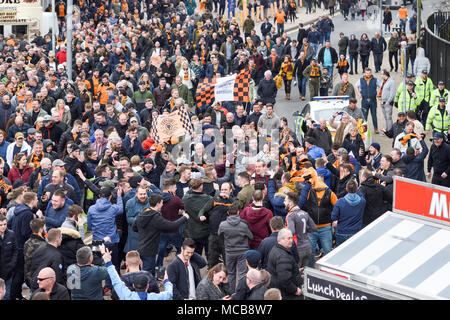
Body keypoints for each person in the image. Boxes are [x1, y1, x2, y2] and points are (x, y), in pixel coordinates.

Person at [133, 193, 189, 276]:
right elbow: (171, 226)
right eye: (162, 203)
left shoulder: (143, 212)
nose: (162, 205)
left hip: (142, 246)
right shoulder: (155, 217)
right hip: (150, 249)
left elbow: (134, 227)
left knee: (146, 270)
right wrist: (184, 218)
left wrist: (146, 232)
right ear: (158, 203)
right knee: (148, 273)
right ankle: (148, 288)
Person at [102, 246, 173, 300]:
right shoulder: (149, 276)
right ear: (147, 286)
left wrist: (108, 262)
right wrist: (166, 281)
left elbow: (116, 282)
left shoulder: (127, 295)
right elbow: (169, 294)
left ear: (133, 286)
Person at [87, 187, 124, 273]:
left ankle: (103, 285)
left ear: (99, 196)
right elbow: (121, 209)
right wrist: (119, 196)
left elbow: (89, 226)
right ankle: (112, 284)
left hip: (97, 241)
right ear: (110, 197)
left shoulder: (91, 209)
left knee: (98, 265)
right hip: (111, 241)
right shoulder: (113, 208)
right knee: (113, 264)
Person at [218, 202, 253, 292]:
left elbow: (219, 235)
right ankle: (242, 293)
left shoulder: (223, 224)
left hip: (229, 252)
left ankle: (232, 293)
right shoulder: (243, 225)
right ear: (238, 212)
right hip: (242, 252)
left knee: (230, 273)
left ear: (228, 213)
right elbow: (251, 236)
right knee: (242, 274)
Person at [266, 228, 302, 300]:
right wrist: (295, 290)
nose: (291, 240)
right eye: (288, 238)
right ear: (280, 239)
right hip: (286, 293)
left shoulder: (276, 248)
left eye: (292, 238)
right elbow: (284, 280)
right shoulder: (283, 257)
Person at [284, 192, 317, 268]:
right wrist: (304, 230)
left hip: (298, 249)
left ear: (291, 203)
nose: (284, 202)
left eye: (285, 200)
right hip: (307, 247)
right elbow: (314, 228)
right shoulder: (304, 213)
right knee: (304, 272)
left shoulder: (290, 216)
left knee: (296, 273)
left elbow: (291, 232)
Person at [331, 179, 365, 246]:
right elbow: (361, 195)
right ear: (357, 188)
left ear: (346, 189)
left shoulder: (340, 202)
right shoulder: (362, 201)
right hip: (355, 231)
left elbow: (333, 217)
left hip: (341, 232)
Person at [355, 68, 382, 134]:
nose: (368, 74)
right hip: (364, 100)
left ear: (371, 73)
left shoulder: (375, 80)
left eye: (369, 73)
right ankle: (364, 129)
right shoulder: (361, 80)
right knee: (364, 115)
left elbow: (381, 86)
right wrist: (358, 93)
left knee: (374, 115)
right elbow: (356, 86)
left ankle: (376, 129)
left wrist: (378, 93)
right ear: (364, 73)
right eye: (367, 73)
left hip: (373, 100)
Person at [0, 214, 17, 300]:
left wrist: (11, 265)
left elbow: (15, 251)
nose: (3, 227)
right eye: (1, 225)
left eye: (5, 224)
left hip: (8, 272)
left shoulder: (11, 234)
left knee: (7, 295)